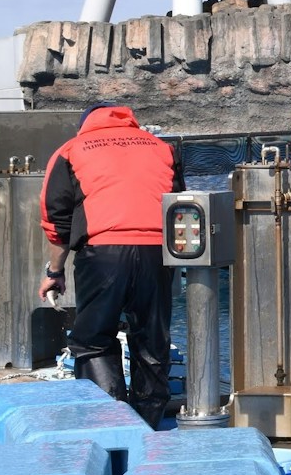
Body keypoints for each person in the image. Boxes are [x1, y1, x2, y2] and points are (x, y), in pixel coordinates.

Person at [38, 104, 183, 428]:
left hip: (102, 254)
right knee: (151, 340)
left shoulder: (72, 150)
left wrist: (55, 272)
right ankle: (148, 424)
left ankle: (110, 425)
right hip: (157, 252)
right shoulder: (161, 148)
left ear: (84, 124)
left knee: (93, 340)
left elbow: (56, 219)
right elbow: (179, 201)